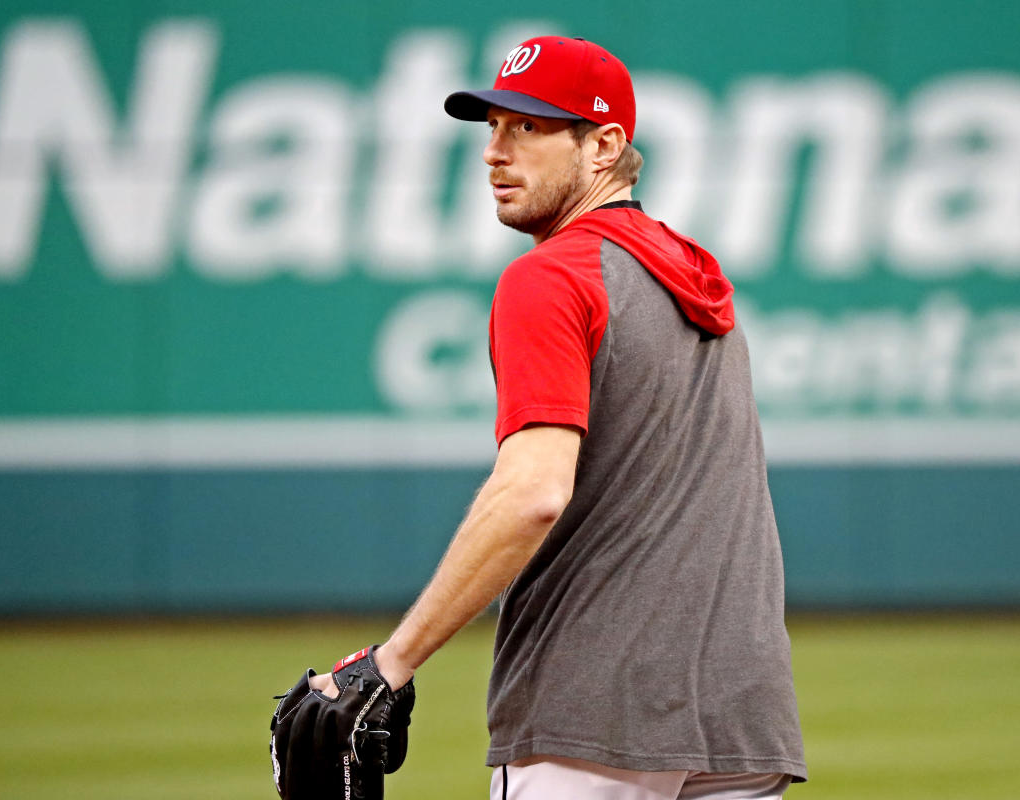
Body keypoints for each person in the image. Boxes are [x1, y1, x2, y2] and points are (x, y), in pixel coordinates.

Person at [315, 35, 806, 798]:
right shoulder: (695, 278)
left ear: (605, 144)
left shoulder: (550, 278)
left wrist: (393, 660)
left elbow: (533, 494)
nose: (496, 152)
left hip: (593, 716)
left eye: (530, 127)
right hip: (742, 716)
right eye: (493, 127)